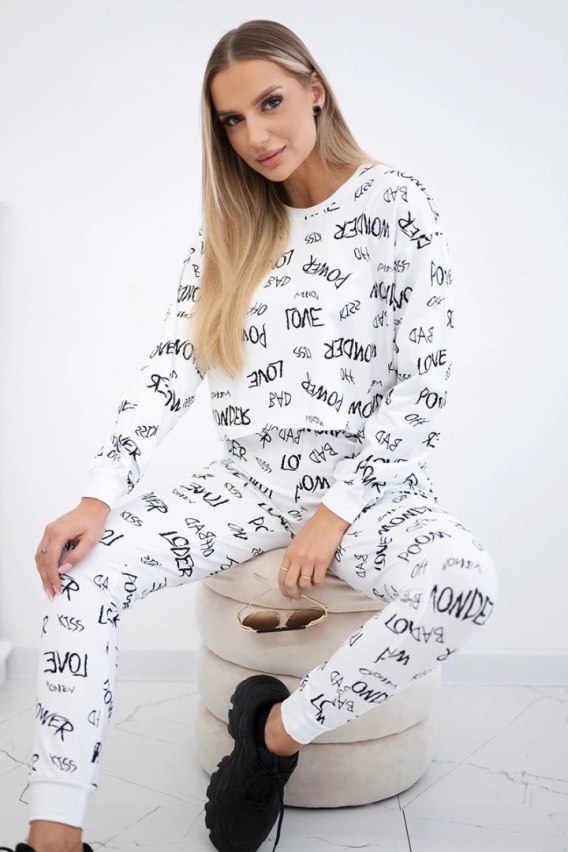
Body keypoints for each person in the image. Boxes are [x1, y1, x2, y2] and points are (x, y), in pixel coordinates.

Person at [2, 18, 498, 852]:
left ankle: (272, 736)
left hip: (369, 491)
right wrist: (98, 495)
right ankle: (54, 840)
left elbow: (425, 384)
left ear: (315, 90)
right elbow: (172, 365)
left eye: (270, 103)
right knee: (78, 575)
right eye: (232, 120)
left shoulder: (396, 204)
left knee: (466, 583)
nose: (256, 136)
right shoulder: (232, 228)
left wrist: (336, 511)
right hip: (245, 485)